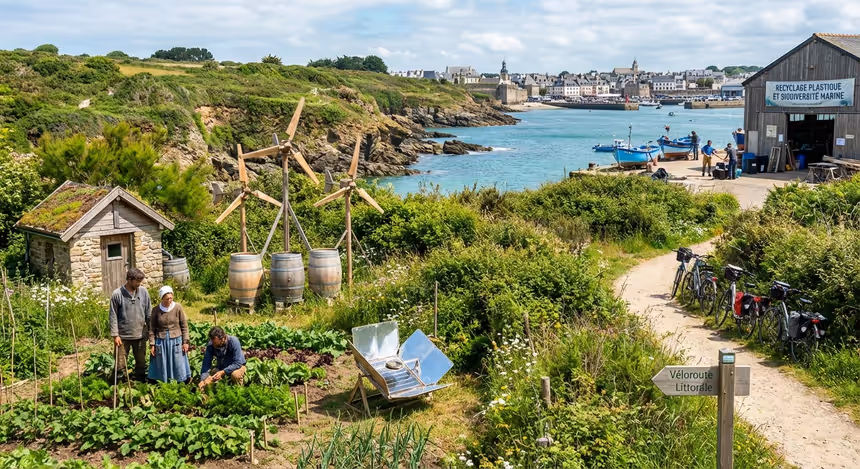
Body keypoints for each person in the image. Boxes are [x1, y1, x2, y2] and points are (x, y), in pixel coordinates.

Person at [109, 268, 151, 382]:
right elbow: (113, 316)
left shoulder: (143, 292)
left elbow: (148, 313)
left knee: (141, 363)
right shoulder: (117, 294)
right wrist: (115, 335)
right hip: (123, 337)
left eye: (140, 281)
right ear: (129, 279)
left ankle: (140, 385)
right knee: (120, 364)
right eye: (137, 281)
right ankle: (118, 387)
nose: (139, 284)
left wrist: (150, 332)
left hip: (140, 335)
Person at [148, 286, 191, 383]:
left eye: (171, 298)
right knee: (161, 362)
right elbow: (152, 329)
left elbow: (184, 326)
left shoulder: (177, 307)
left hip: (176, 340)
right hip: (161, 340)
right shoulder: (156, 310)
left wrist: (185, 342)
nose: (169, 300)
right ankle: (162, 382)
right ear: (162, 298)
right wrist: (152, 344)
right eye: (167, 299)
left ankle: (179, 381)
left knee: (177, 362)